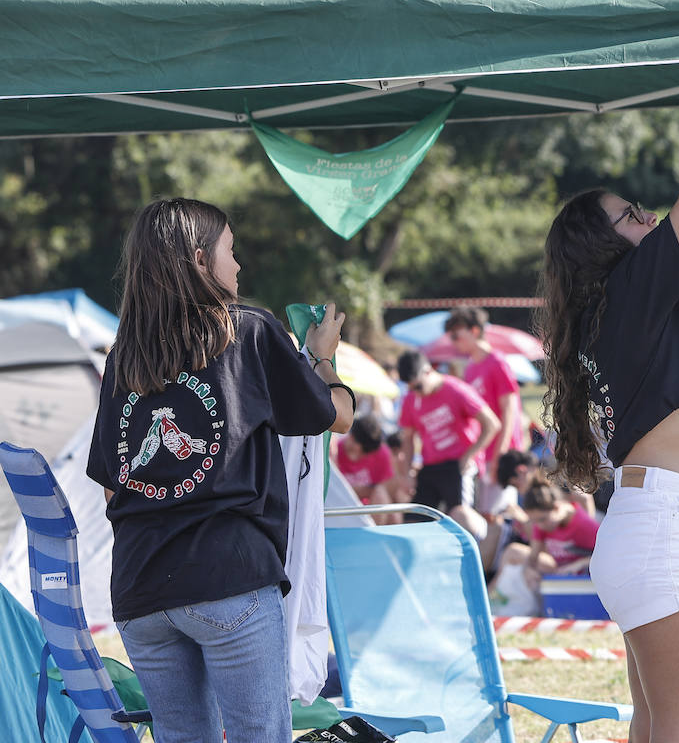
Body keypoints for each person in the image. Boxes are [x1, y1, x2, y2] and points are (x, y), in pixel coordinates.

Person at [537, 55, 679, 743]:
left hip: (650, 523)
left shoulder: (619, 310)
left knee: (659, 725)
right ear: (604, 249)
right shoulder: (627, 296)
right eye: (631, 216)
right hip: (658, 527)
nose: (649, 218)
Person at [86, 198, 354, 743]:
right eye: (231, 251)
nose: (239, 266)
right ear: (200, 259)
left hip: (140, 591)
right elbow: (335, 417)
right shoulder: (249, 330)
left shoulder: (125, 355)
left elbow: (114, 484)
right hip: (228, 575)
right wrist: (322, 357)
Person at [395, 350, 500, 529]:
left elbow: (492, 424)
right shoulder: (411, 399)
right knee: (412, 521)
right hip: (430, 466)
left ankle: (484, 546)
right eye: (411, 388)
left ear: (428, 371)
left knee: (461, 520)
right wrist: (406, 475)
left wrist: (470, 455)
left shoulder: (456, 390)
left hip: (459, 465)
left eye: (418, 387)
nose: (415, 393)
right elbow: (408, 439)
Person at [445, 305, 528, 480]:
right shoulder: (470, 367)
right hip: (483, 453)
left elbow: (509, 410)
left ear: (474, 331)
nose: (453, 342)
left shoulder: (496, 361)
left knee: (502, 507)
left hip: (501, 453)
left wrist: (501, 453)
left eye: (455, 336)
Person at [333, 415, 402, 524]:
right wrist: (366, 490)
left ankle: (373, 537)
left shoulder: (382, 453)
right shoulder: (334, 453)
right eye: (360, 450)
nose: (362, 455)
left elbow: (388, 491)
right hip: (343, 510)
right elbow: (336, 494)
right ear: (351, 437)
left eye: (367, 452)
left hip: (371, 510)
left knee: (392, 511)